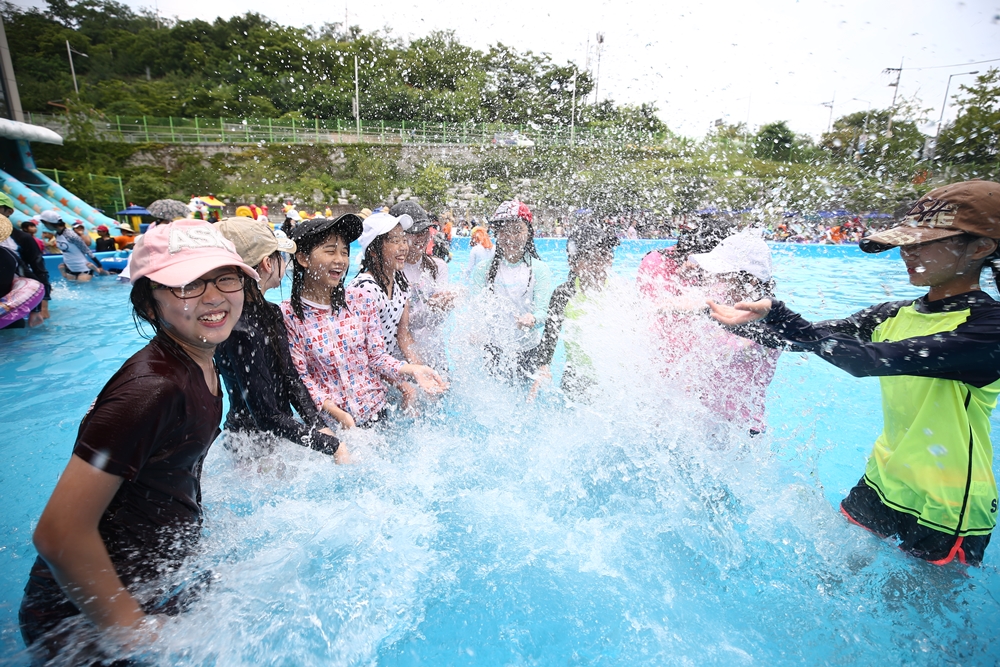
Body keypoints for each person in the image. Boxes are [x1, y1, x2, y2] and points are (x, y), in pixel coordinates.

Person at [710, 180, 1000, 566]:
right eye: (907, 242)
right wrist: (731, 319)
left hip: (948, 501)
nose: (908, 252)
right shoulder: (894, 313)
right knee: (835, 574)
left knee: (926, 597)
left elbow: (869, 360)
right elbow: (810, 338)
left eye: (923, 242)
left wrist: (781, 315)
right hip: (882, 477)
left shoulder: (988, 328)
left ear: (980, 248)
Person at [19, 219, 258, 661]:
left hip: (151, 578)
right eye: (187, 284)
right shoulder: (151, 390)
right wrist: (131, 629)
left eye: (225, 277)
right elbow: (58, 534)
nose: (212, 296)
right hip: (85, 616)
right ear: (149, 304)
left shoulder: (199, 359)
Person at [282, 216, 447, 429]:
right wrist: (336, 414)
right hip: (335, 426)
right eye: (331, 251)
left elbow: (376, 356)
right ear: (303, 258)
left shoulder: (359, 299)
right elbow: (300, 378)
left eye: (344, 252)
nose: (340, 260)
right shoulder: (288, 314)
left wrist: (413, 369)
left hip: (377, 414)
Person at [213, 217, 347, 463]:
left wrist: (318, 425)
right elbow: (265, 416)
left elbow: (290, 378)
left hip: (279, 435)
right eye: (280, 257)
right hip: (249, 445)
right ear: (267, 263)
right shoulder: (238, 329)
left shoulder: (270, 312)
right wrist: (331, 446)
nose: (284, 263)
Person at [666, 229, 782, 434]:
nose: (713, 277)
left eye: (722, 275)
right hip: (708, 418)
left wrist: (705, 312)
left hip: (743, 429)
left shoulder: (768, 321)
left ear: (751, 281)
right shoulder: (724, 301)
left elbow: (733, 347)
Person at [532, 221, 620, 397]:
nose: (600, 264)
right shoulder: (563, 294)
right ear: (573, 263)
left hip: (612, 379)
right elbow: (550, 337)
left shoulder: (619, 292)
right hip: (577, 377)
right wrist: (543, 368)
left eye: (605, 255)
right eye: (591, 259)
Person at [472, 200, 552, 379]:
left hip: (528, 350)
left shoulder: (539, 269)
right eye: (503, 231)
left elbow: (543, 312)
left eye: (517, 230)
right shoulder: (482, 270)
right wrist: (476, 330)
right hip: (492, 349)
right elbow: (476, 309)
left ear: (529, 233)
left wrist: (532, 319)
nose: (510, 238)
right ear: (496, 234)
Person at [349, 210, 419, 363]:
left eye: (404, 239)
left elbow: (403, 337)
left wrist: (423, 369)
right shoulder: (363, 290)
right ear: (373, 251)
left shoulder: (401, 285)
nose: (403, 247)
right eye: (395, 240)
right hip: (363, 371)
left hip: (387, 368)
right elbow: (362, 351)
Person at [395, 201, 457, 371]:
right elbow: (396, 325)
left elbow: (436, 321)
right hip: (402, 359)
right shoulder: (392, 271)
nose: (421, 237)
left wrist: (445, 306)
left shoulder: (438, 267)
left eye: (424, 230)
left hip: (434, 354)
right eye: (414, 232)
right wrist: (428, 309)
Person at [0, 195, 50, 322]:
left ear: (9, 211)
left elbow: (39, 271)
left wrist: (42, 306)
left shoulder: (22, 239)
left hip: (14, 296)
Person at [39, 211, 108, 282]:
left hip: (83, 267)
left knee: (82, 287)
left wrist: (99, 265)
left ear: (49, 223)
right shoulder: (57, 235)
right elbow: (67, 252)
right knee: (72, 286)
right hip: (70, 268)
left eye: (44, 224)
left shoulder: (71, 235)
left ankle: (97, 270)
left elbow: (86, 250)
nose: (45, 226)